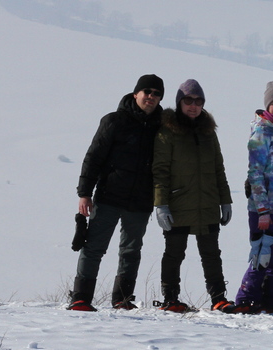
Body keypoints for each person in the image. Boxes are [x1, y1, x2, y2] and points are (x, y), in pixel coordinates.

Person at [69, 74, 165, 312]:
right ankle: (81, 298)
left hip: (141, 200)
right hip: (109, 195)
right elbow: (94, 157)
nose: (151, 97)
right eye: (147, 92)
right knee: (93, 247)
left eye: (156, 93)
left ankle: (122, 299)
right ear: (136, 94)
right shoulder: (114, 121)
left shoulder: (162, 127)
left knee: (131, 251)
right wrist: (84, 193)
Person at [151, 79, 235, 313]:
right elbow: (160, 171)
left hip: (207, 202)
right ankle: (170, 298)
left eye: (198, 101)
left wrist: (225, 199)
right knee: (174, 253)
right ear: (179, 102)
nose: (193, 105)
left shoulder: (209, 132)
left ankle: (219, 298)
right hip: (178, 204)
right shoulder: (167, 132)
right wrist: (161, 204)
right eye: (188, 100)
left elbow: (219, 168)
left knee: (211, 254)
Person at [231, 81, 273, 314]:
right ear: (267, 105)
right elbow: (255, 173)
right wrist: (262, 209)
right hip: (265, 208)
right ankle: (247, 298)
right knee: (262, 253)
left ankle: (271, 299)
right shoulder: (262, 131)